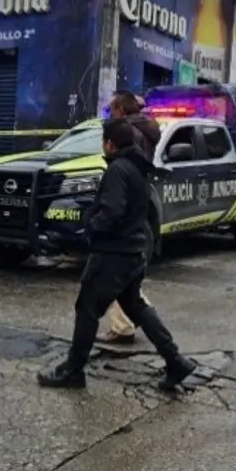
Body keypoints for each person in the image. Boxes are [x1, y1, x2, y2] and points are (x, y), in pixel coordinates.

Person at [37, 118, 196, 390]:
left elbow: (112, 211)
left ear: (109, 143)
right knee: (136, 306)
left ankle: (73, 371)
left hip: (113, 254)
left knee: (87, 308)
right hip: (133, 251)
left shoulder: (118, 170)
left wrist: (91, 229)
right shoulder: (137, 167)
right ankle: (175, 360)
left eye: (103, 140)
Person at [96, 90, 162, 345]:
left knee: (111, 274)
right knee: (127, 282)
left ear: (121, 111)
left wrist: (96, 226)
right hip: (138, 205)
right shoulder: (146, 128)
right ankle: (133, 326)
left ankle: (124, 327)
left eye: (112, 110)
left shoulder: (126, 136)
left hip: (122, 210)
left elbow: (113, 204)